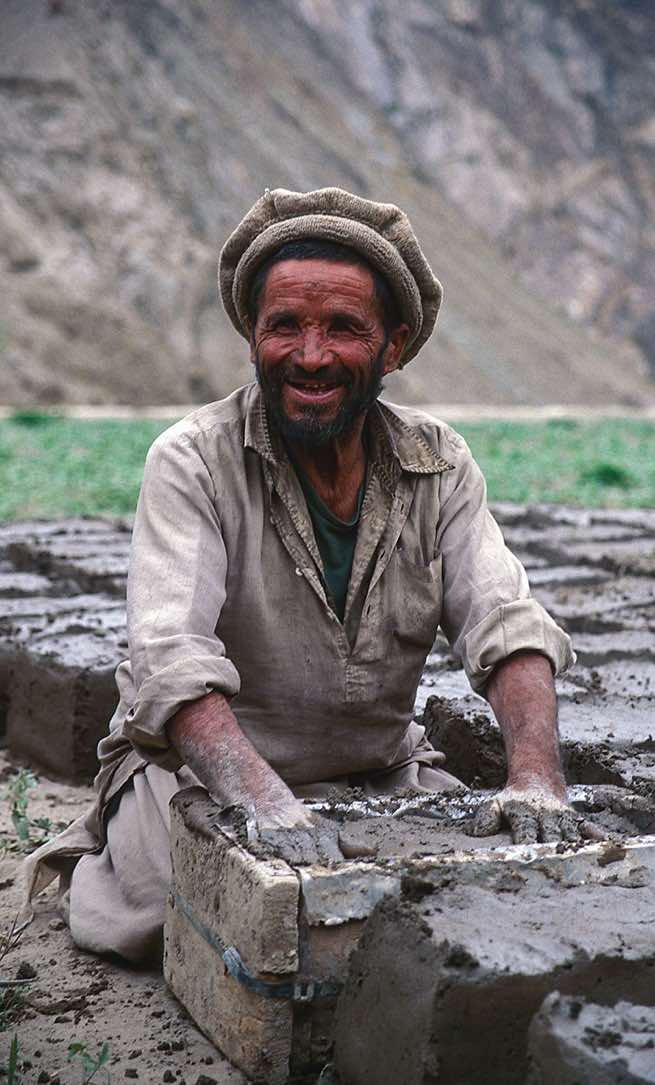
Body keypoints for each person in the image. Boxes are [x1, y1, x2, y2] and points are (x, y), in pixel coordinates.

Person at [27, 186, 583, 964]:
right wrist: (262, 802)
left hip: (379, 773)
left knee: (467, 911)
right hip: (194, 774)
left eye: (344, 329)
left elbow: (505, 621)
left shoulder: (439, 462)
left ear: (392, 347)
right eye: (284, 325)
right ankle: (108, 856)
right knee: (184, 917)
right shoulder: (193, 460)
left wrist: (534, 773)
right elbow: (171, 656)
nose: (311, 355)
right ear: (252, 338)